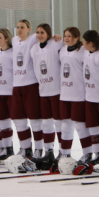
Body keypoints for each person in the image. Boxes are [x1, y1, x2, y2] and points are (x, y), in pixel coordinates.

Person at [30, 23, 63, 165]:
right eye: (37, 32)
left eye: (42, 32)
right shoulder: (34, 49)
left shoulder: (56, 44)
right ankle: (48, 151)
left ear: (48, 34)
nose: (39, 35)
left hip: (57, 90)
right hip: (43, 90)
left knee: (59, 123)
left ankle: (63, 151)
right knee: (46, 123)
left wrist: (58, 38)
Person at [11, 20, 44, 158]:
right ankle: (25, 148)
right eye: (18, 27)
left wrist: (57, 37)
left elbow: (46, 38)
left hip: (30, 84)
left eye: (22, 27)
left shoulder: (33, 38)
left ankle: (39, 149)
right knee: (18, 119)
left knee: (35, 119)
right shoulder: (13, 40)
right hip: (16, 85)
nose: (19, 30)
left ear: (29, 29)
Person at [59, 27, 92, 161]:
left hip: (79, 93)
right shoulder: (62, 50)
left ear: (77, 38)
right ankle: (65, 153)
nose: (66, 38)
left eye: (70, 36)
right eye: (65, 36)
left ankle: (88, 153)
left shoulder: (83, 51)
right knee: (65, 124)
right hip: (65, 93)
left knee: (80, 125)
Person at [82, 30, 99, 166]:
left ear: (90, 43)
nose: (82, 43)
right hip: (89, 97)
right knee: (93, 127)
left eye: (84, 41)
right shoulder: (86, 52)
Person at [0, 28, 15, 159]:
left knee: (17, 122)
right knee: (2, 121)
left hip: (10, 91)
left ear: (7, 38)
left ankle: (27, 148)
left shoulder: (12, 52)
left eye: (0, 37)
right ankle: (7, 148)